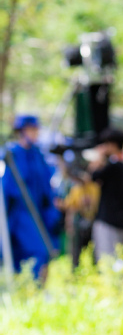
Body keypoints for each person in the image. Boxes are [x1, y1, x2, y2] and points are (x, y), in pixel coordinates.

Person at [2, 115, 60, 280]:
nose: (36, 133)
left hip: (41, 211)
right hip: (19, 214)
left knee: (46, 251)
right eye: (32, 130)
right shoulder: (11, 154)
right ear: (21, 131)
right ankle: (26, 287)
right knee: (34, 251)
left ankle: (36, 287)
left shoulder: (38, 155)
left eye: (36, 130)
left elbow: (46, 183)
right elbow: (6, 188)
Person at [89, 127, 123, 260]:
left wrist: (98, 158)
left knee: (106, 257)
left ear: (112, 144)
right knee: (117, 257)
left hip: (107, 219)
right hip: (121, 219)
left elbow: (93, 176)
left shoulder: (114, 165)